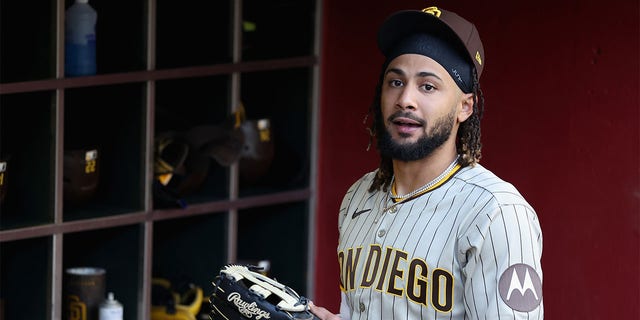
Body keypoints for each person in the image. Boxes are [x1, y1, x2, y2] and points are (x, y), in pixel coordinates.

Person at [310, 6, 543, 320]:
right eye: (395, 82)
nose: (406, 99)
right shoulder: (359, 196)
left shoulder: (496, 214)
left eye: (428, 86)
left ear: (464, 107)